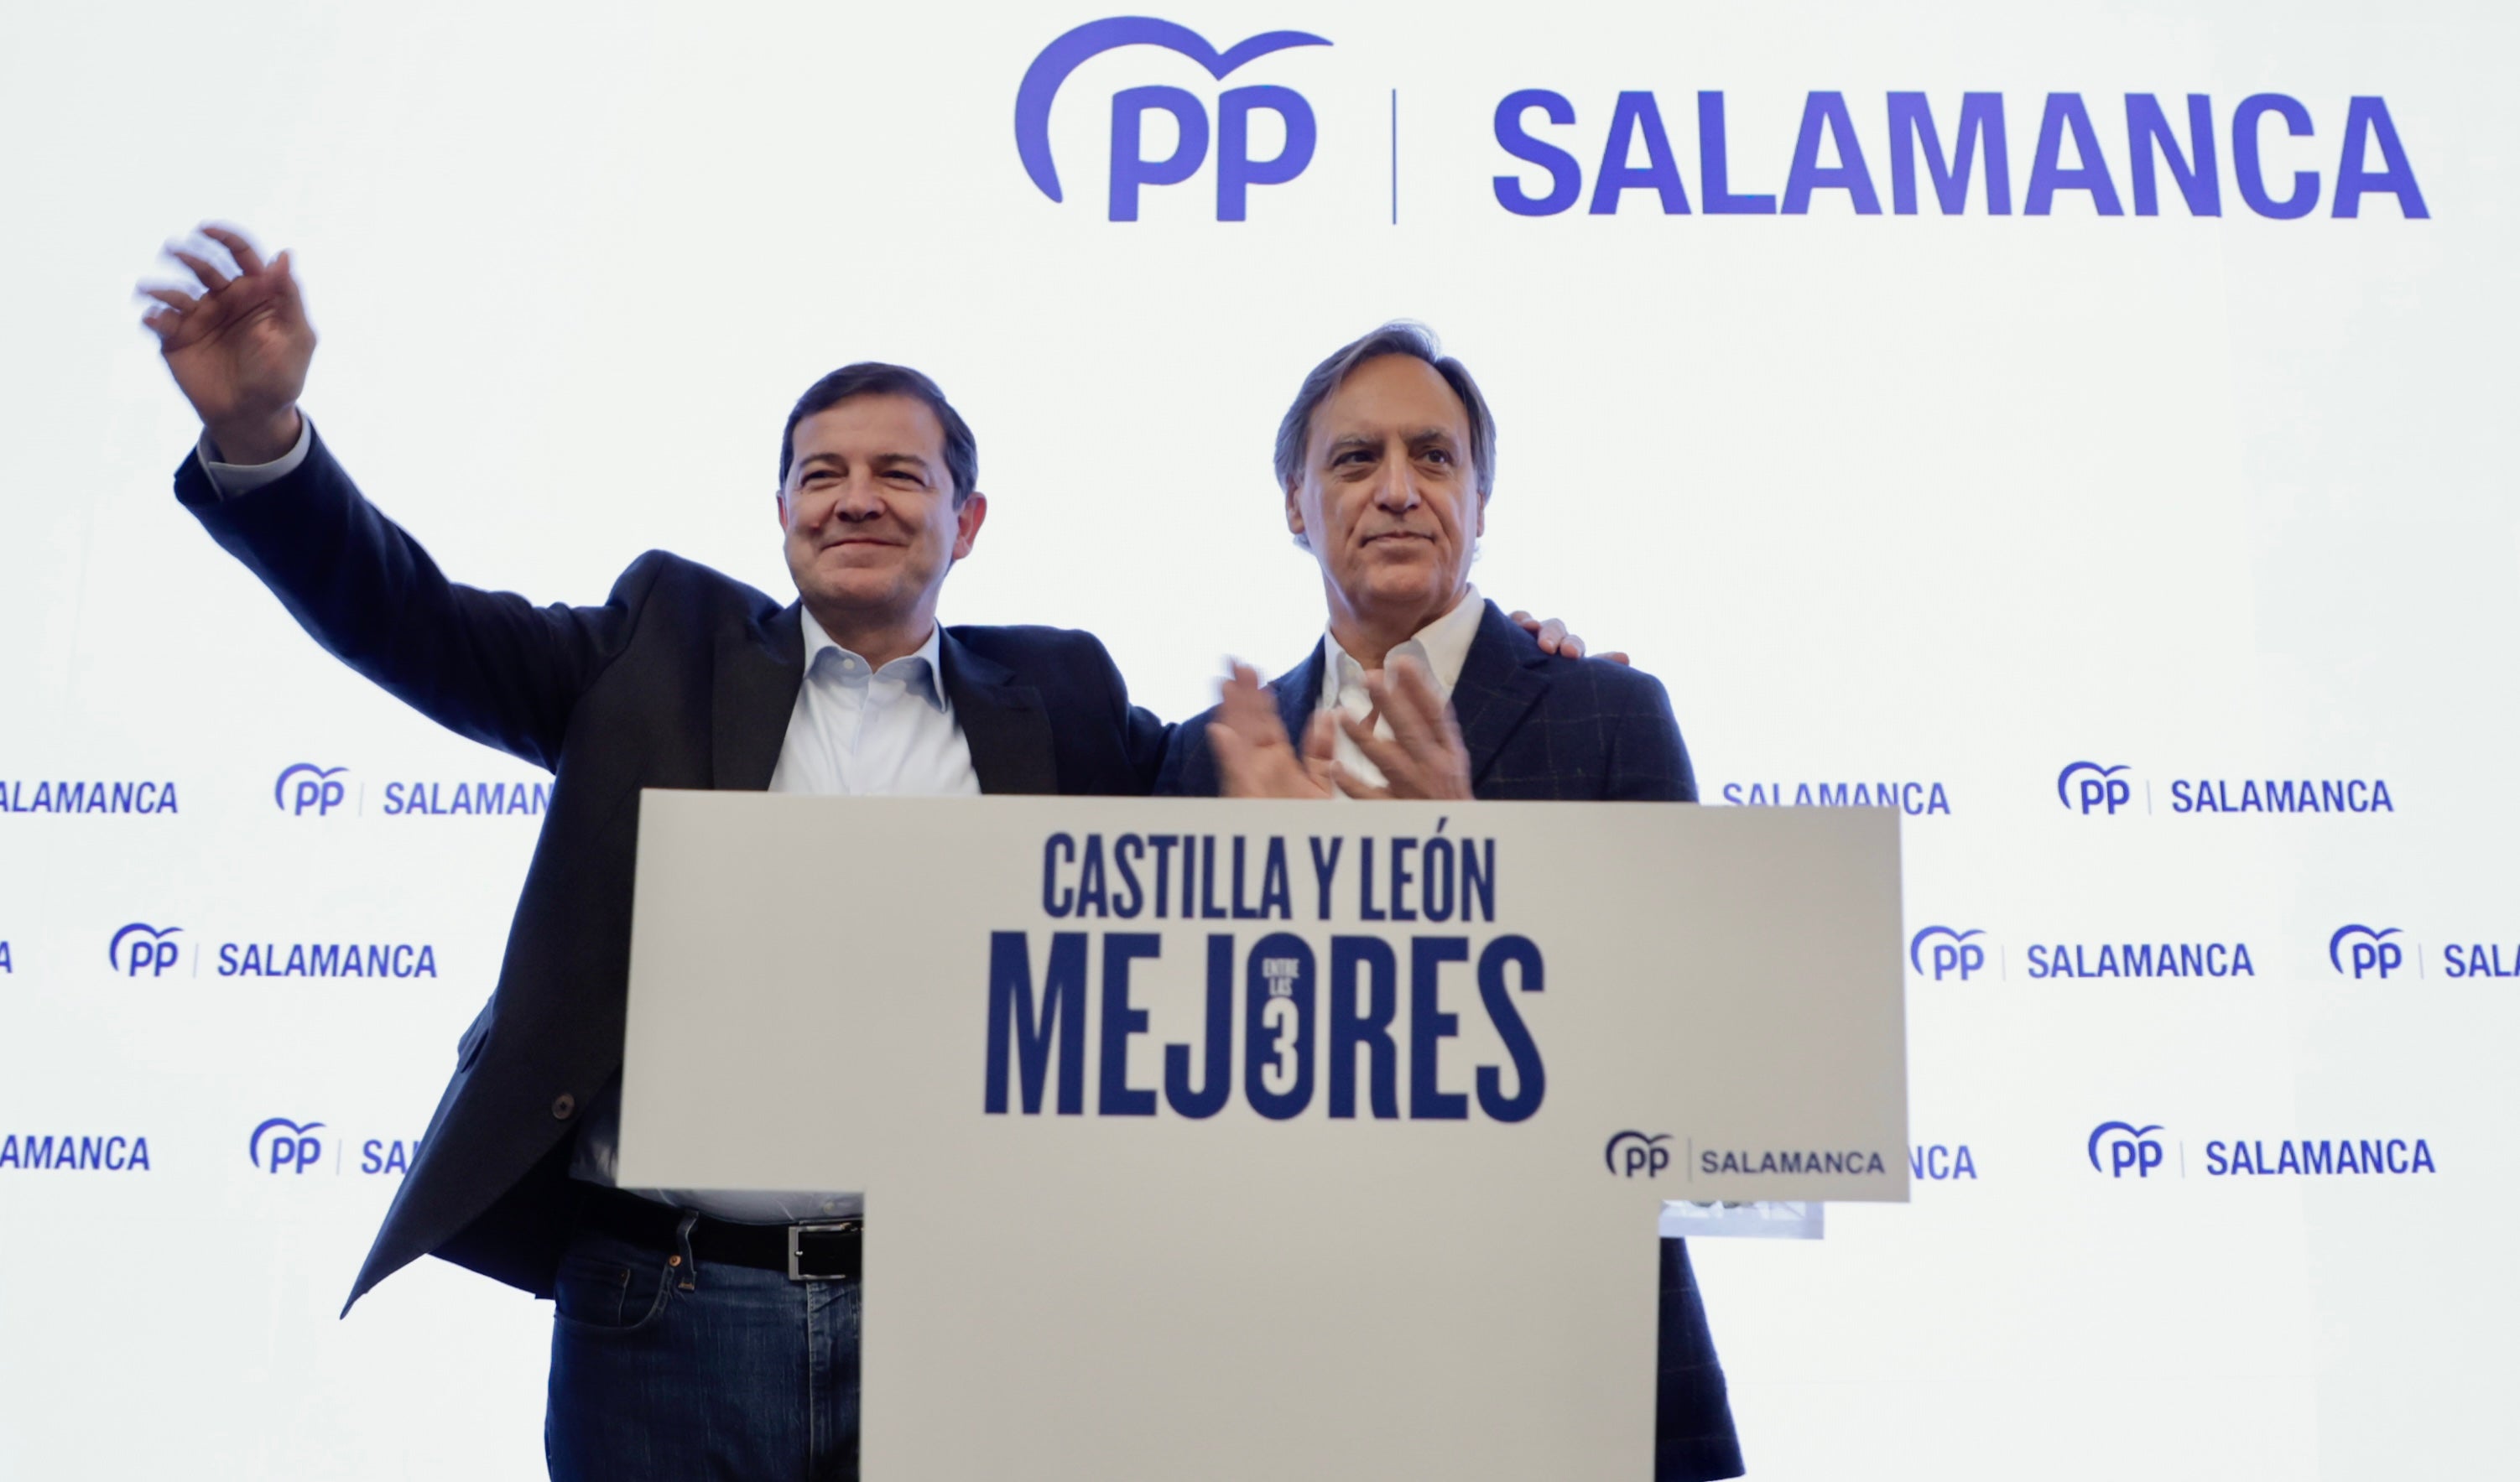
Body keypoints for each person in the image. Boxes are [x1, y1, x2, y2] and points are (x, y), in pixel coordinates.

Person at [137, 229, 1604, 1480]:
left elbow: (1245, 833)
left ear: (966, 522)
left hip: (964, 1318)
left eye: (899, 476)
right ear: (776, 517)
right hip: (663, 1314)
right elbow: (415, 620)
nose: (856, 497)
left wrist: (1498, 655)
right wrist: (267, 442)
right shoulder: (655, 650)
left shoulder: (1071, 707)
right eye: (820, 473)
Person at [1156, 322, 1744, 1481]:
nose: (1396, 490)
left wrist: (1466, 875)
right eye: (1353, 459)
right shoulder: (1204, 762)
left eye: (1433, 457)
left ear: (1481, 499)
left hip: (1569, 1369)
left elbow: (1689, 1059)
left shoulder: (1606, 716)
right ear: (1293, 502)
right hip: (1288, 1373)